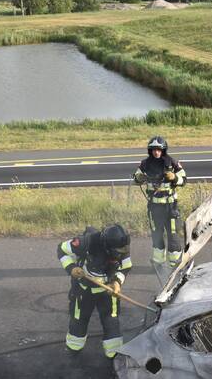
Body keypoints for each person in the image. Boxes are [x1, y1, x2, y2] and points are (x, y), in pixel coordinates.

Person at [58, 224, 133, 358]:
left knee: (111, 321)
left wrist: (117, 282)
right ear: (107, 245)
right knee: (79, 320)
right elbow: (62, 250)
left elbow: (126, 266)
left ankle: (114, 353)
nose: (120, 254)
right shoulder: (86, 242)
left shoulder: (122, 247)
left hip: (107, 291)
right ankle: (74, 347)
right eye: (117, 251)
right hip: (84, 290)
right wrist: (71, 268)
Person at [132, 136, 187, 271]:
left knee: (173, 236)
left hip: (171, 207)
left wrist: (174, 177)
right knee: (157, 236)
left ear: (163, 150)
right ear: (150, 151)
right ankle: (158, 264)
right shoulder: (145, 164)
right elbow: (136, 179)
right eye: (154, 150)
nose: (156, 152)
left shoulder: (172, 162)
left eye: (159, 150)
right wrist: (139, 178)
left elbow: (184, 179)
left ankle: (176, 265)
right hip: (154, 207)